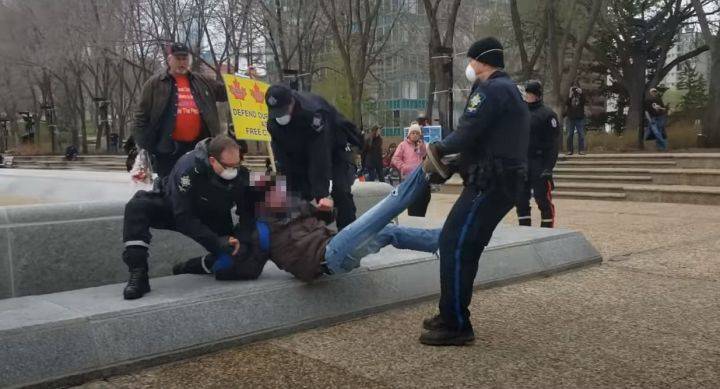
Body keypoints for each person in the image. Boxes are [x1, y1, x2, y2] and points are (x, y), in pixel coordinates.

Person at [421, 36, 530, 346]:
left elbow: (466, 132)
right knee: (464, 245)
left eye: (470, 60)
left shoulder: (491, 89)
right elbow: (486, 138)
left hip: (490, 183)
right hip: (500, 180)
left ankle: (455, 324)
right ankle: (452, 313)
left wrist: (439, 149)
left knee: (454, 243)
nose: (468, 66)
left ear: (481, 61)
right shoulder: (509, 89)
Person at [174, 165, 441, 283]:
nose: (282, 193)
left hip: (336, 247)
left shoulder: (295, 206)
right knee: (384, 211)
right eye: (275, 191)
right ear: (262, 202)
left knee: (389, 231)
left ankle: (443, 241)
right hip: (325, 260)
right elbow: (244, 264)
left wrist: (327, 209)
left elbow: (325, 218)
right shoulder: (260, 230)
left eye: (281, 189)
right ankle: (425, 171)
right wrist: (190, 266)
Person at [121, 135, 263, 300]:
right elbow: (183, 218)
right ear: (212, 160)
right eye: (227, 166)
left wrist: (240, 238)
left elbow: (247, 212)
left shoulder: (240, 175)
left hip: (213, 214)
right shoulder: (188, 168)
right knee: (137, 206)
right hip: (175, 208)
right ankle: (138, 274)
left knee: (240, 260)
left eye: (236, 165)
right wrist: (216, 242)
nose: (232, 171)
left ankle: (192, 266)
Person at [265, 84, 363, 230]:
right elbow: (284, 159)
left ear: (291, 102)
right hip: (301, 157)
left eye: (283, 111)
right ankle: (305, 238)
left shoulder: (314, 113)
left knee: (341, 192)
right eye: (276, 114)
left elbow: (320, 155)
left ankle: (348, 236)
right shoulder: (273, 124)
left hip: (335, 150)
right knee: (295, 199)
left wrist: (321, 193)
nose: (280, 117)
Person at [132, 42, 228, 179]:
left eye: (185, 58)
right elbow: (141, 117)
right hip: (167, 148)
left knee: (198, 183)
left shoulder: (203, 81)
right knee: (168, 185)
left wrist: (247, 80)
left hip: (199, 147)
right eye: (178, 58)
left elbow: (226, 93)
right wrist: (144, 147)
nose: (182, 62)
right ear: (169, 59)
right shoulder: (155, 84)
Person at [517, 80, 560, 228]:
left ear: (537, 95)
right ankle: (524, 231)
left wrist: (549, 167)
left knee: (542, 199)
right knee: (521, 199)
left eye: (530, 94)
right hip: (522, 161)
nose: (528, 96)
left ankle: (546, 231)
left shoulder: (547, 114)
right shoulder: (520, 113)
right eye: (526, 93)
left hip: (539, 161)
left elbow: (554, 144)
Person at [564, 84, 586, 155]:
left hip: (579, 117)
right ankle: (569, 150)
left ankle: (581, 150)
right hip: (571, 118)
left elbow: (584, 102)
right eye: (573, 88)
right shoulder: (570, 95)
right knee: (569, 135)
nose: (575, 90)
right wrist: (570, 95)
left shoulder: (581, 96)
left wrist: (581, 93)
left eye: (576, 88)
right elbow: (567, 103)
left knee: (581, 134)